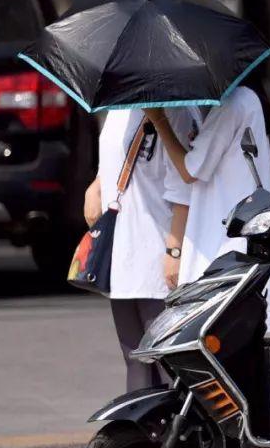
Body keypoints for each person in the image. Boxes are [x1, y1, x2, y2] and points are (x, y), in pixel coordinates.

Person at [147, 83, 270, 333]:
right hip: (240, 235)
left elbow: (190, 171)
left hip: (223, 243)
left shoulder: (232, 103)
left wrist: (159, 122)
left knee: (216, 341)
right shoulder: (247, 99)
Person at [84, 108, 198, 391]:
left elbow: (186, 185)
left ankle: (175, 433)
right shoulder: (117, 109)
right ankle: (138, 435)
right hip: (121, 253)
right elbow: (113, 161)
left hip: (156, 251)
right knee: (134, 356)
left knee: (163, 358)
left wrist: (174, 250)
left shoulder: (177, 110)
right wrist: (96, 186)